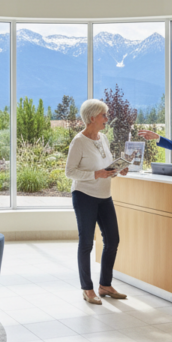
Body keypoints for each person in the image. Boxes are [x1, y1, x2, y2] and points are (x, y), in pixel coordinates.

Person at [65, 99, 129, 305]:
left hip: (104, 196)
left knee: (113, 240)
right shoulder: (78, 141)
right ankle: (87, 288)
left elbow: (105, 167)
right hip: (84, 196)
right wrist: (96, 174)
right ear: (92, 118)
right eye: (103, 115)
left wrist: (115, 170)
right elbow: (70, 172)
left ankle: (105, 285)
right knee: (86, 243)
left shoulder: (103, 138)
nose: (107, 119)